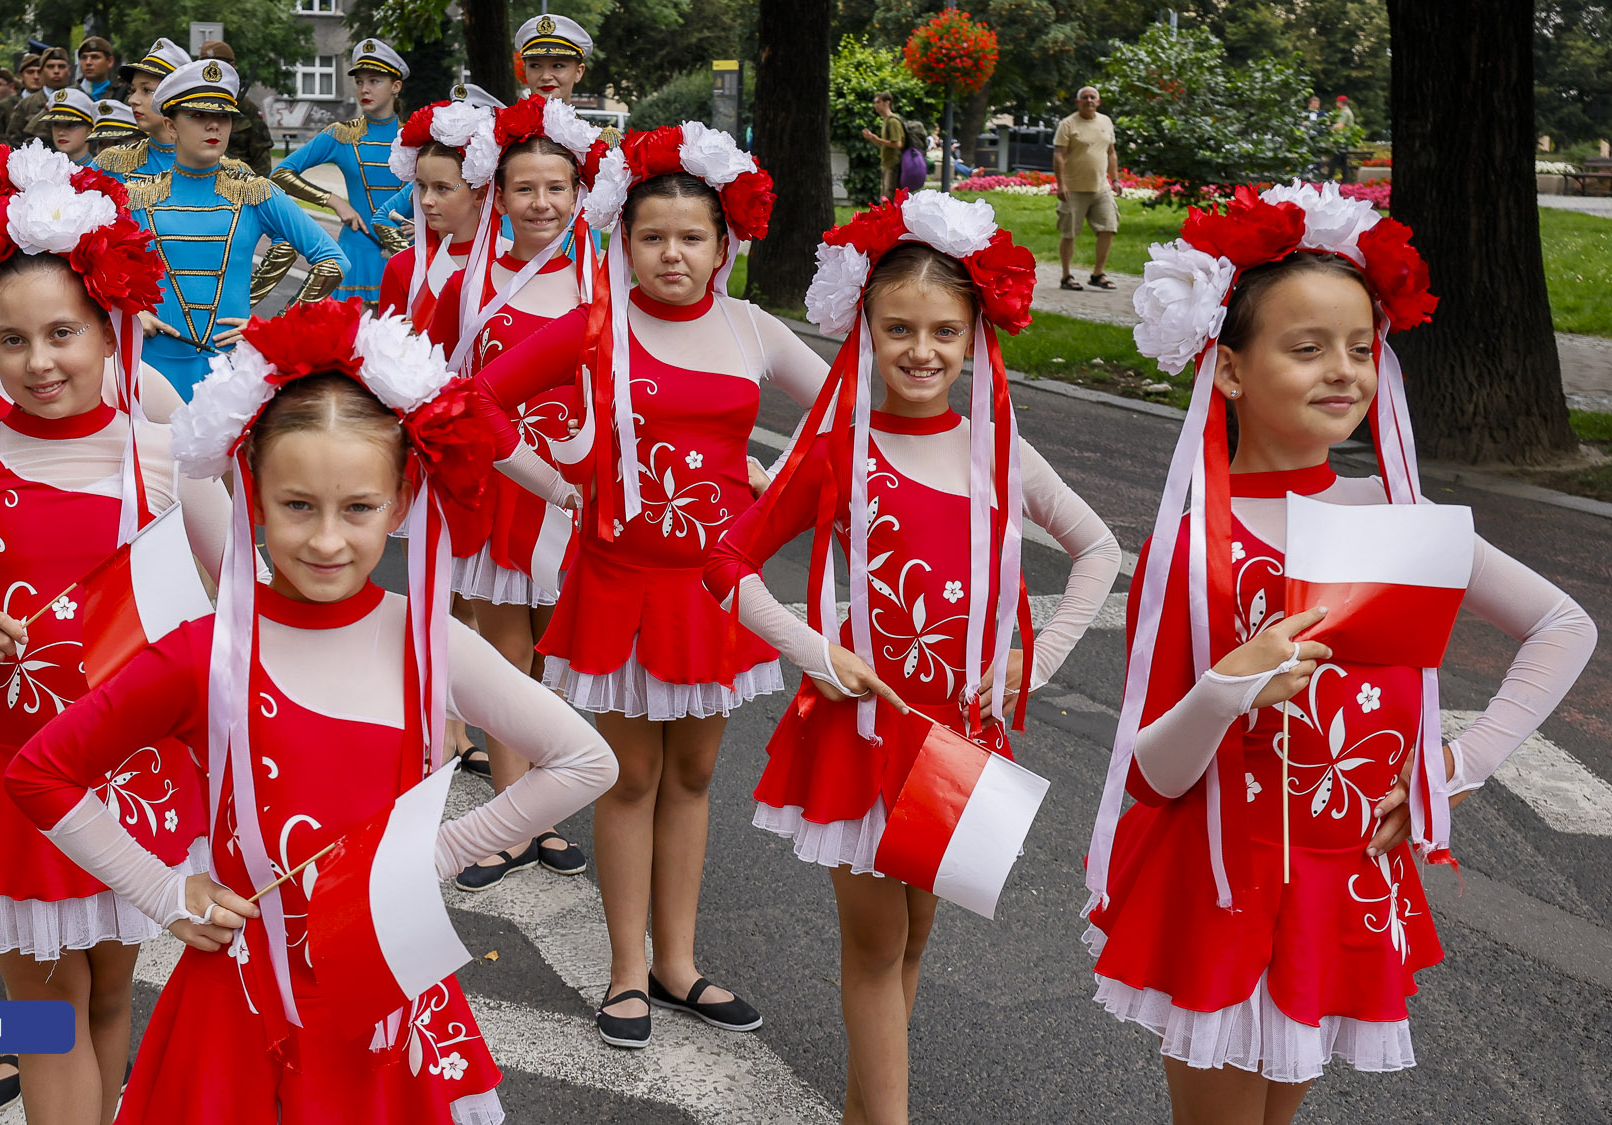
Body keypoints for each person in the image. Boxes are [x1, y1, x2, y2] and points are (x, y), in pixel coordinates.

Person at [5, 299, 617, 1123]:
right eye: (298, 505)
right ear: (252, 493)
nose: (328, 540)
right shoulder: (204, 650)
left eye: (358, 508)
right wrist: (161, 892)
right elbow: (40, 770)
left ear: (401, 503)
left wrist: (432, 857)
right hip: (235, 1004)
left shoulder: (426, 639)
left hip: (380, 992)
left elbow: (585, 759)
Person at [1084, 184, 1596, 1120]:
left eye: (1362, 348)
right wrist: (1226, 687)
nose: (1344, 372)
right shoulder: (1197, 543)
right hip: (1222, 884)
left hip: (1345, 878)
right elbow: (1151, 772)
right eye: (1307, 347)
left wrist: (1457, 766)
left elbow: (1566, 626)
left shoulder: (1394, 522)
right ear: (1230, 371)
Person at [704, 190, 1121, 1122]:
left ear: (974, 336)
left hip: (962, 736)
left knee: (917, 931)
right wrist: (814, 650)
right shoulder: (836, 448)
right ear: (866, 330)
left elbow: (1100, 549)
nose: (921, 351)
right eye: (898, 329)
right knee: (873, 941)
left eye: (942, 330)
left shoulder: (997, 449)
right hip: (864, 730)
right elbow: (726, 563)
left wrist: (1035, 661)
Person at [0, 138, 229, 1125]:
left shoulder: (163, 459)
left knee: (112, 991)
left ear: (110, 327)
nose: (40, 362)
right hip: (10, 787)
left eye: (64, 334)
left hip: (136, 788)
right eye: (14, 340)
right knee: (48, 1015)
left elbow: (235, 610)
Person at [466, 122, 828, 1047]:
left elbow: (842, 419)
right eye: (654, 236)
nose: (674, 254)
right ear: (622, 241)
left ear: (725, 245)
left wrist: (770, 475)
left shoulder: (751, 326)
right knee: (629, 780)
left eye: (693, 237)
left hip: (715, 590)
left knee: (696, 773)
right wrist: (561, 486)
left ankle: (680, 963)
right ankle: (627, 972)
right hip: (622, 584)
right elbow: (476, 403)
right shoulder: (596, 325)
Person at [428, 96, 598, 890]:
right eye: (525, 187)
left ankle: (547, 796)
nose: (541, 204)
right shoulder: (470, 279)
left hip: (574, 489)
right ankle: (509, 815)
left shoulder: (606, 274)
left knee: (555, 648)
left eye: (556, 188)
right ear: (500, 192)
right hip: (499, 484)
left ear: (578, 192)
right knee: (505, 651)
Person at [132, 58, 346, 396]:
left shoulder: (255, 193)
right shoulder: (134, 199)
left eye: (223, 117)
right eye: (198, 116)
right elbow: (88, 269)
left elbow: (333, 260)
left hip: (232, 373)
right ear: (171, 127)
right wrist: (132, 311)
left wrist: (275, 327)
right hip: (151, 369)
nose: (213, 127)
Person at [271, 38, 415, 306]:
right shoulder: (342, 134)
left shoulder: (416, 135)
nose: (365, 89)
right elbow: (281, 173)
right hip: (357, 250)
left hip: (407, 252)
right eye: (360, 82)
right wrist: (334, 202)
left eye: (375, 81)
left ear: (396, 86)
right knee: (350, 339)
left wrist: (425, 226)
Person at [379, 89, 500, 325]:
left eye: (442, 188)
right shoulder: (402, 267)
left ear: (480, 193)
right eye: (422, 186)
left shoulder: (509, 260)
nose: (426, 200)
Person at [1052, 85, 1121, 292]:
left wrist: (1115, 179)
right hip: (1073, 189)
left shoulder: (1106, 122)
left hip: (1101, 188)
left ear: (1098, 102)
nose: (1089, 100)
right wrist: (1061, 184)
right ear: (1078, 102)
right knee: (1069, 233)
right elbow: (1059, 156)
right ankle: (1066, 276)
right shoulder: (1068, 124)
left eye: (1093, 97)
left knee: (1109, 227)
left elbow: (1111, 153)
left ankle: (1098, 273)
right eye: (1085, 97)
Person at [513, 14, 620, 147]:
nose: (546, 76)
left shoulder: (599, 140)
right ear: (525, 70)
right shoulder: (501, 134)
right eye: (535, 65)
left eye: (558, 66)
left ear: (579, 72)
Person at [96, 37, 190, 181]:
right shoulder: (112, 162)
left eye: (146, 90)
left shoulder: (218, 168)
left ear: (177, 95)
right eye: (132, 90)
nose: (133, 100)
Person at [195, 40, 273, 175]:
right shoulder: (189, 105)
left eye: (218, 66)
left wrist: (258, 192)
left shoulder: (247, 108)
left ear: (232, 66)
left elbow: (261, 155)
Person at [30, 88, 100, 165]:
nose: (61, 132)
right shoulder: (39, 167)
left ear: (90, 130)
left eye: (70, 125)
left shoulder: (103, 170)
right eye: (56, 124)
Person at [858, 92, 905, 198]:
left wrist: (877, 138)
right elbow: (886, 144)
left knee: (889, 197)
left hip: (893, 164)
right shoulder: (886, 121)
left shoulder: (893, 122)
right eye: (875, 103)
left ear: (887, 103)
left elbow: (897, 144)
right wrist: (873, 139)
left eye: (878, 102)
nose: (875, 105)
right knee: (884, 197)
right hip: (886, 164)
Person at [75, 35, 122, 103]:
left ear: (110, 62)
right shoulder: (69, 95)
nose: (88, 62)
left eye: (95, 57)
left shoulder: (121, 95)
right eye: (84, 57)